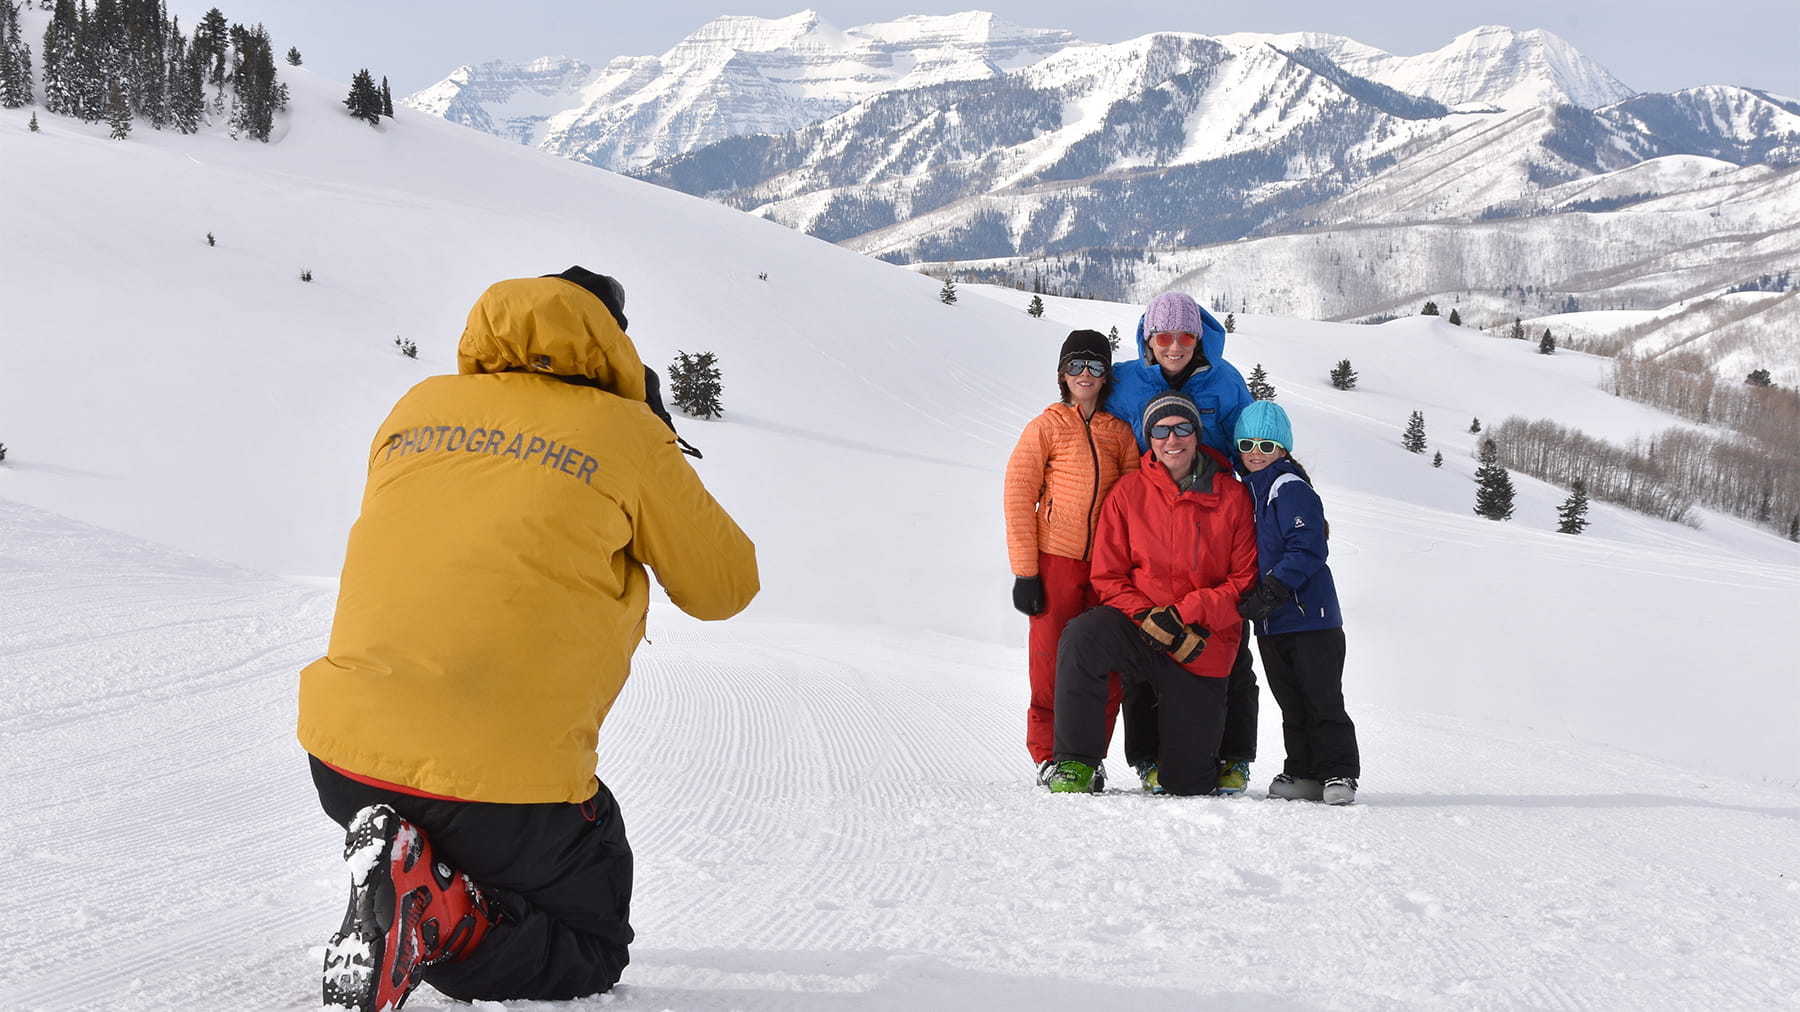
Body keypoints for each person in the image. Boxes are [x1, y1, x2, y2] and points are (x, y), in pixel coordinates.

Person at [296, 267, 760, 1012]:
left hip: (342, 763)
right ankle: (438, 922)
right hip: (502, 790)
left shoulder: (415, 407)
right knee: (591, 943)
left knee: (474, 815)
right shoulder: (627, 434)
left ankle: (410, 866)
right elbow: (725, 589)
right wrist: (657, 439)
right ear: (612, 342)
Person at [1046, 392, 1257, 796]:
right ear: (1150, 438)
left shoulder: (1231, 497)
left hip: (1200, 640)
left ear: (1196, 434)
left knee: (1189, 783)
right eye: (1160, 430)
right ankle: (1076, 760)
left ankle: (1216, 757)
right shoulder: (1128, 493)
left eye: (1182, 428)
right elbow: (1108, 576)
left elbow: (1242, 580)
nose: (1171, 439)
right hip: (1141, 628)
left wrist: (1183, 614)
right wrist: (1150, 617)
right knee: (1082, 635)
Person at [1103, 292, 1259, 795]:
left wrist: (1285, 500)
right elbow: (1086, 407)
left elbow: (1252, 447)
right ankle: (1147, 755)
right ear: (1148, 338)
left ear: (1198, 338)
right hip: (1146, 511)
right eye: (1164, 336)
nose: (1174, 346)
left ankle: (1234, 756)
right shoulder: (1126, 380)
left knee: (1230, 645)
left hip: (1215, 510)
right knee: (1141, 643)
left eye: (1185, 336)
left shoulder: (1226, 381)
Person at [1003, 329, 1141, 786]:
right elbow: (1019, 495)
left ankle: (1088, 756)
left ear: (1107, 376)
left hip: (1107, 569)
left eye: (1096, 366)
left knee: (1107, 661)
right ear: (1062, 374)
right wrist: (1026, 572)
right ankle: (1048, 755)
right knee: (1049, 660)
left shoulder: (1118, 434)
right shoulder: (1046, 426)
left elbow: (1134, 502)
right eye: (1076, 365)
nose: (1086, 374)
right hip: (1055, 560)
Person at [1232, 401, 1360, 805]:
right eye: (1248, 443)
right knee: (1291, 700)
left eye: (1267, 446)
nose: (1256, 452)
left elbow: (1308, 547)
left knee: (1321, 697)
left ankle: (1338, 771)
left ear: (1283, 450)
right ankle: (1304, 771)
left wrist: (1272, 589)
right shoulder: (1249, 490)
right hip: (1273, 623)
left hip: (1311, 620)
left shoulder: (1288, 487)